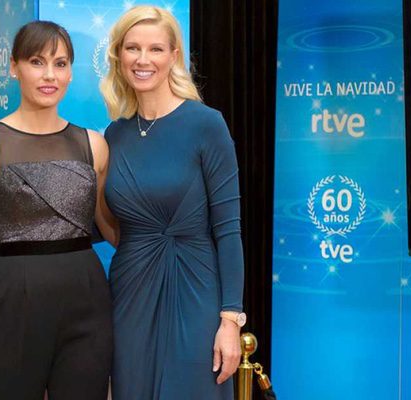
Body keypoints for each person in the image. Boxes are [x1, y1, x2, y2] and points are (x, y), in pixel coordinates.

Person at [0, 21, 113, 400]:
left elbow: (114, 231)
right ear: (13, 67)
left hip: (87, 306)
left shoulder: (94, 145)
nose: (50, 75)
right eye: (36, 61)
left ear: (71, 71)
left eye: (60, 64)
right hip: (10, 307)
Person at [98, 6, 246, 400]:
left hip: (196, 290)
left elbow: (229, 228)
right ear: (119, 55)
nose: (143, 60)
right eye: (133, 48)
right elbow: (110, 225)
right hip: (130, 293)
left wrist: (230, 320)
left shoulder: (206, 124)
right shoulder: (114, 135)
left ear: (174, 56)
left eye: (156, 49)